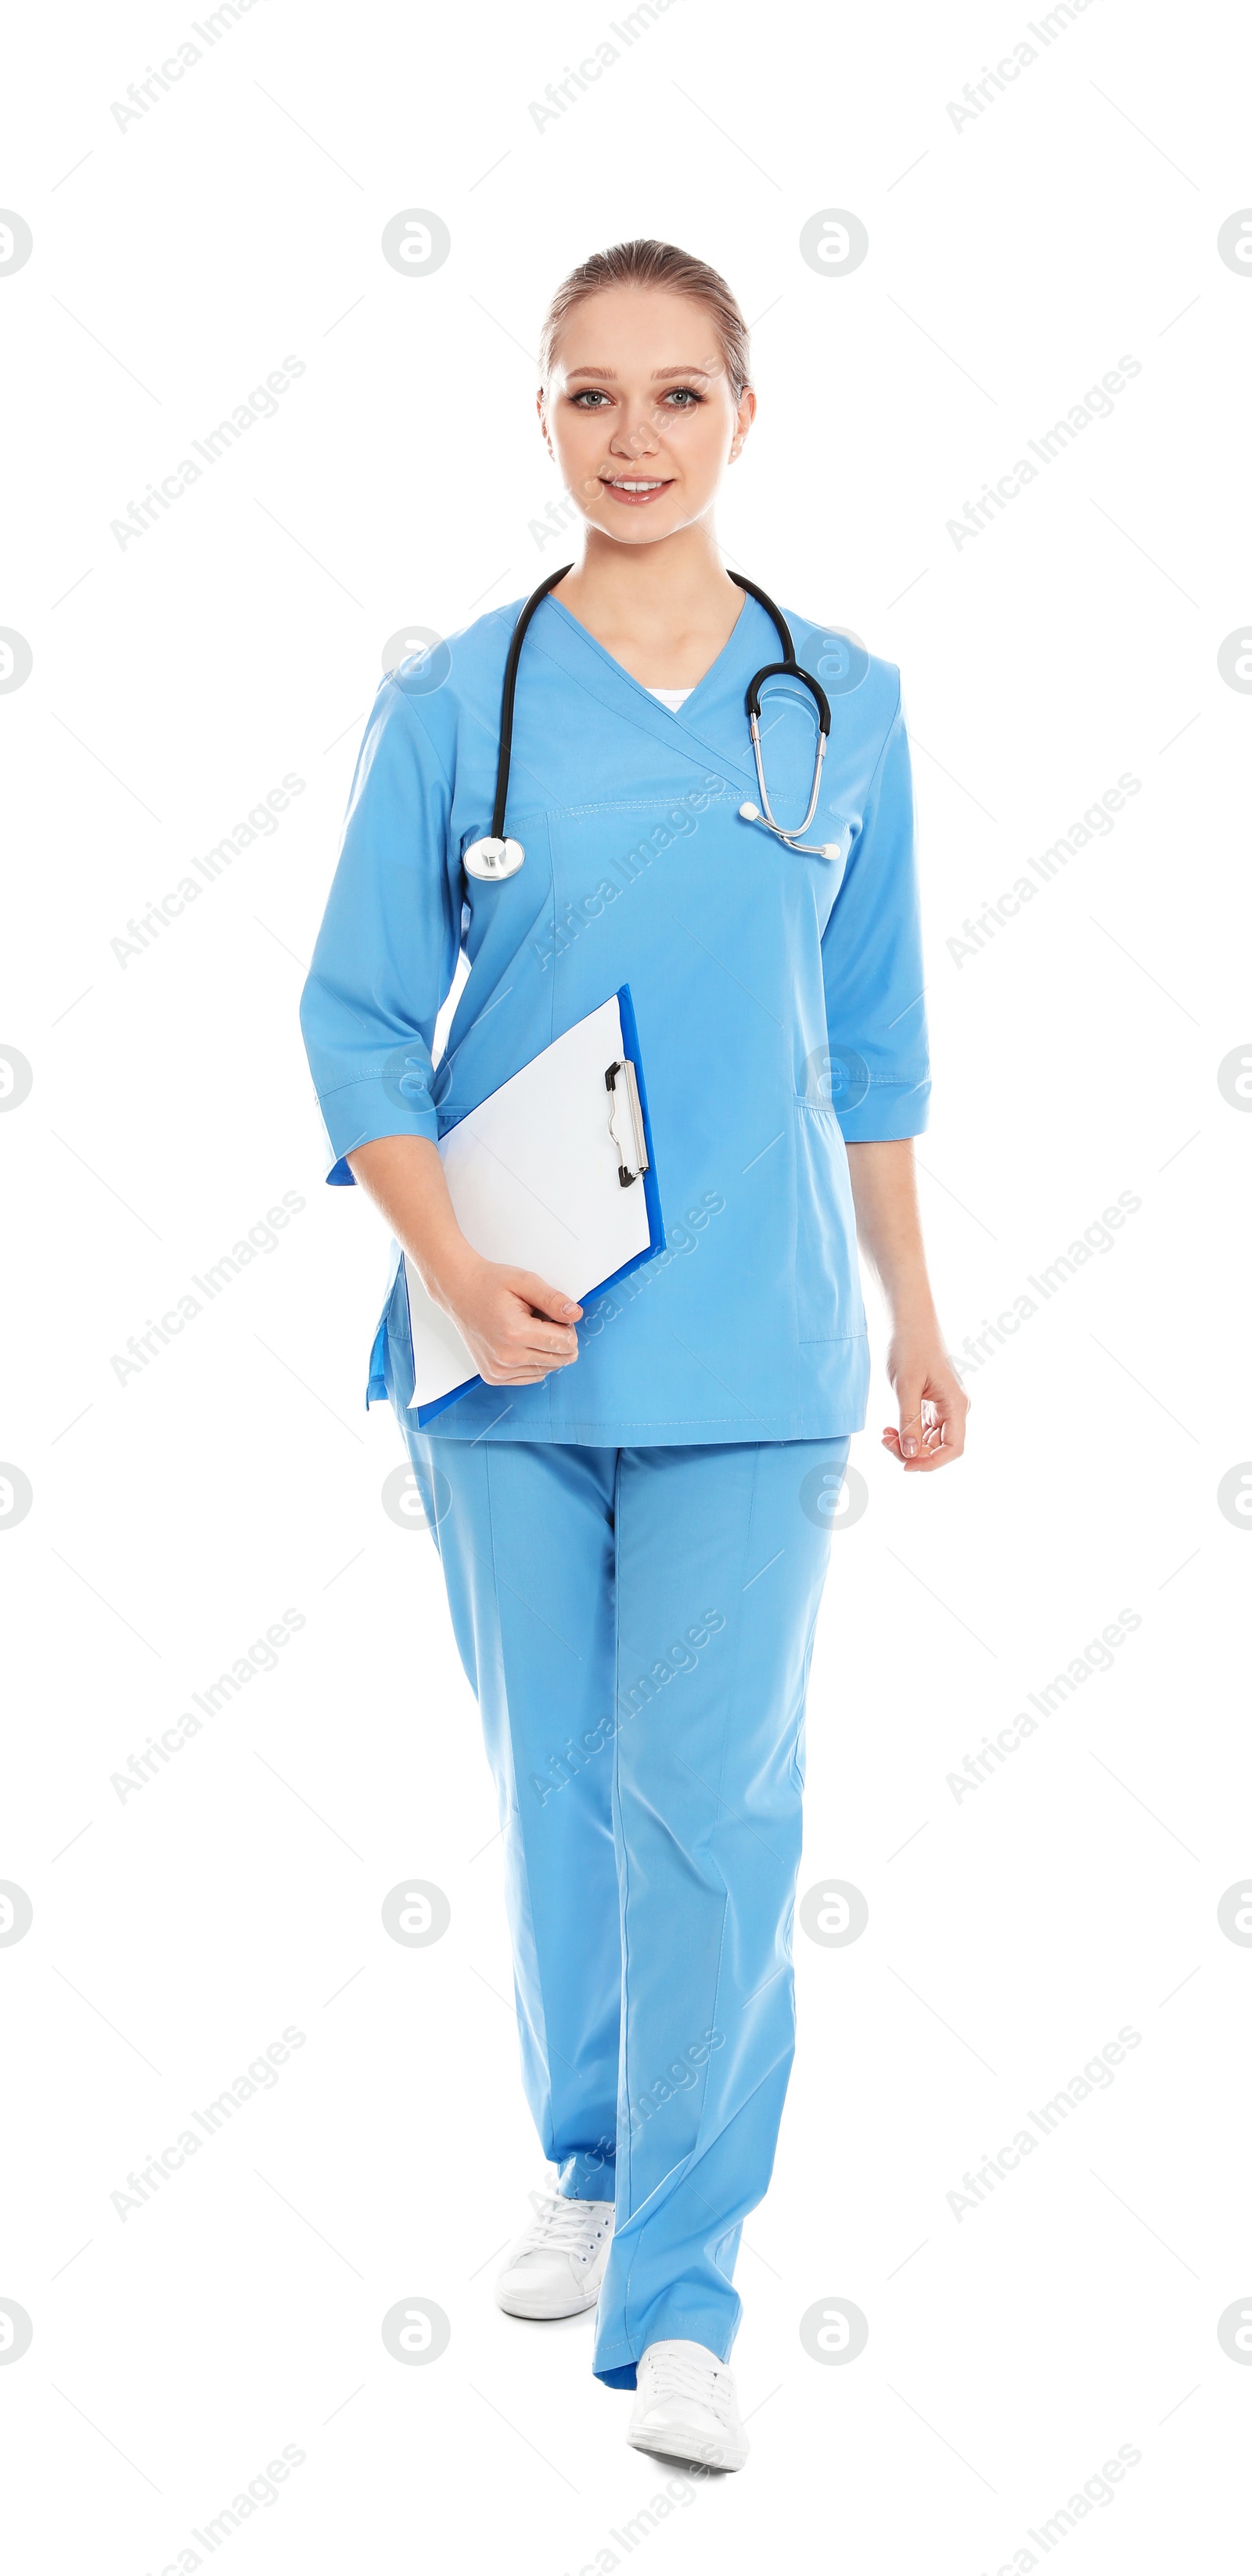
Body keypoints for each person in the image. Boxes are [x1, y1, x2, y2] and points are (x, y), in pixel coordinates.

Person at [300, 236, 967, 2473]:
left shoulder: (840, 698)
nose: (635, 438)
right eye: (592, 396)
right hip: (502, 1346)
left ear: (745, 420)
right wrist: (458, 1275)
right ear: (548, 423)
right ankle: (590, 2157)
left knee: (717, 1815)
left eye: (680, 397)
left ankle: (683, 2300)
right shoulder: (456, 703)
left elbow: (871, 1042)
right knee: (561, 1785)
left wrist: (921, 1316)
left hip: (761, 1351)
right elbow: (359, 1019)